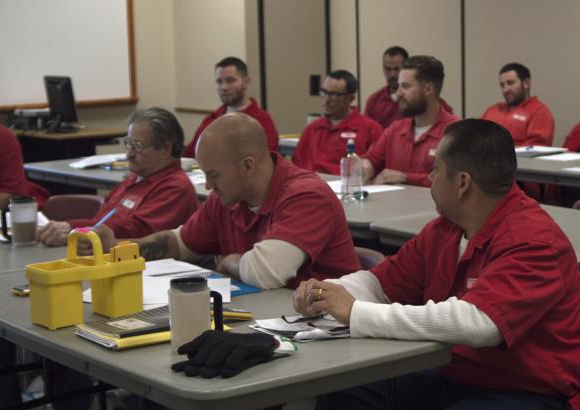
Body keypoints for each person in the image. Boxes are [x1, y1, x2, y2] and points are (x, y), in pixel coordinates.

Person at [295, 119, 580, 410]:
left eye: (435, 170)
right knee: (343, 390)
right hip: (454, 374)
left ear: (462, 183)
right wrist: (328, 291)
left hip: (522, 390)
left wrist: (358, 313)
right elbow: (384, 282)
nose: (429, 177)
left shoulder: (533, 240)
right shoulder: (447, 229)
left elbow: (480, 324)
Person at [90, 112, 360, 289]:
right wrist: (118, 248)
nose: (207, 185)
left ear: (247, 165)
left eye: (213, 174)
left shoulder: (306, 195)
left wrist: (231, 261)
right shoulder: (228, 196)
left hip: (327, 331)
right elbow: (180, 242)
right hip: (271, 318)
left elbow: (265, 272)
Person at [38, 107, 199, 246]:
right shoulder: (135, 178)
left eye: (138, 146)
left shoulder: (175, 187)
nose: (129, 154)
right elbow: (104, 220)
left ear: (165, 149)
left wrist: (73, 229)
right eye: (128, 143)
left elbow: (135, 230)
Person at [362, 55, 460, 187]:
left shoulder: (456, 132)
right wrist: (366, 166)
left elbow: (453, 181)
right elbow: (372, 159)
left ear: (428, 89)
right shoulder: (395, 130)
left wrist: (405, 178)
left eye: (405, 86)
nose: (398, 93)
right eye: (398, 86)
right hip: (391, 205)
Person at [182, 56, 279, 157]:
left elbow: (266, 161)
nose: (224, 87)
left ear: (246, 82)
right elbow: (190, 154)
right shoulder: (212, 119)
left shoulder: (261, 120)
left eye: (230, 80)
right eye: (219, 82)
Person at [292, 70, 382, 175]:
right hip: (313, 185)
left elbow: (378, 167)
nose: (326, 99)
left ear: (350, 98)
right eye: (324, 92)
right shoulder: (312, 129)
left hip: (347, 187)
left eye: (333, 95)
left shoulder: (370, 129)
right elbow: (296, 166)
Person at [364, 46, 453, 129]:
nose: (392, 74)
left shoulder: (435, 104)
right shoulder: (374, 101)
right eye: (388, 69)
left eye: (397, 69)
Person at [482, 62, 555, 146]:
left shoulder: (539, 112)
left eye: (510, 83)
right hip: (485, 157)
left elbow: (536, 148)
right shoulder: (493, 110)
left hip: (516, 158)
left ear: (526, 83)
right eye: (502, 85)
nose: (505, 89)